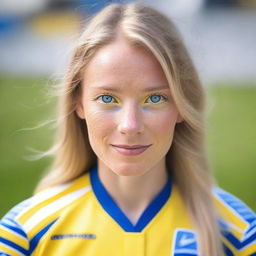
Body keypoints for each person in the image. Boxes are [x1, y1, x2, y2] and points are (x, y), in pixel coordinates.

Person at [0, 3, 255, 256]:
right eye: (108, 99)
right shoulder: (24, 235)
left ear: (181, 105)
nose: (130, 126)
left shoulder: (239, 234)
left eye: (155, 99)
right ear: (78, 103)